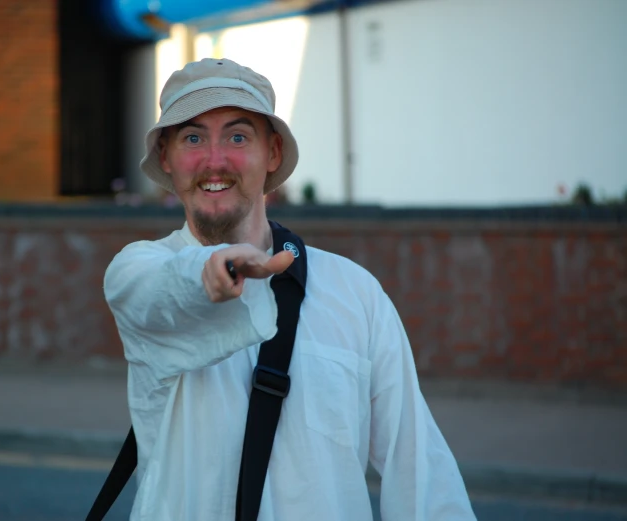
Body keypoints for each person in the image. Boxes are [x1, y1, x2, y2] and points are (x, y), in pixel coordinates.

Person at [103, 58, 476, 521]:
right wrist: (212, 268)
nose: (214, 160)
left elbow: (420, 472)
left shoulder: (355, 293)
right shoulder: (138, 269)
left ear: (273, 153)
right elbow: (160, 290)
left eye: (238, 137)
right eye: (192, 138)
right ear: (166, 158)